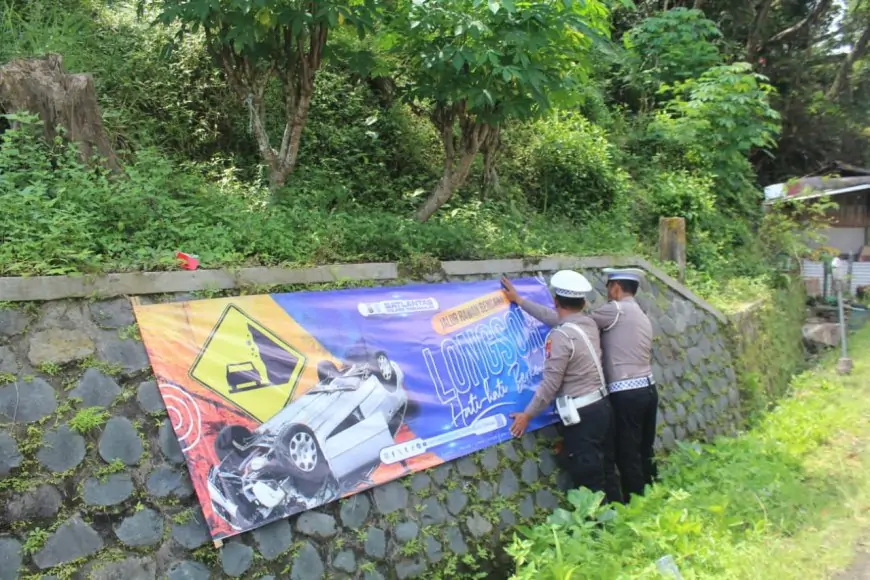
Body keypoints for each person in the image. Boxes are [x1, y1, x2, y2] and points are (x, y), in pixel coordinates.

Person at [501, 271, 623, 505]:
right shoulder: (586, 323)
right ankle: (616, 520)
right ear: (584, 302)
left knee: (588, 477)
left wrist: (528, 414)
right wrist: (520, 300)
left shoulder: (560, 337)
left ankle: (597, 532)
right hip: (602, 406)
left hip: (582, 416)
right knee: (606, 468)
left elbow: (551, 383)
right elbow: (552, 317)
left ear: (556, 301)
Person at [589, 268, 657, 500]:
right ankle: (653, 491)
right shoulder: (641, 313)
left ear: (616, 287)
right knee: (644, 448)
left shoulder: (614, 309)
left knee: (627, 451)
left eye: (608, 287)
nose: (607, 292)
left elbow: (576, 323)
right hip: (648, 388)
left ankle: (637, 502)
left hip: (626, 392)